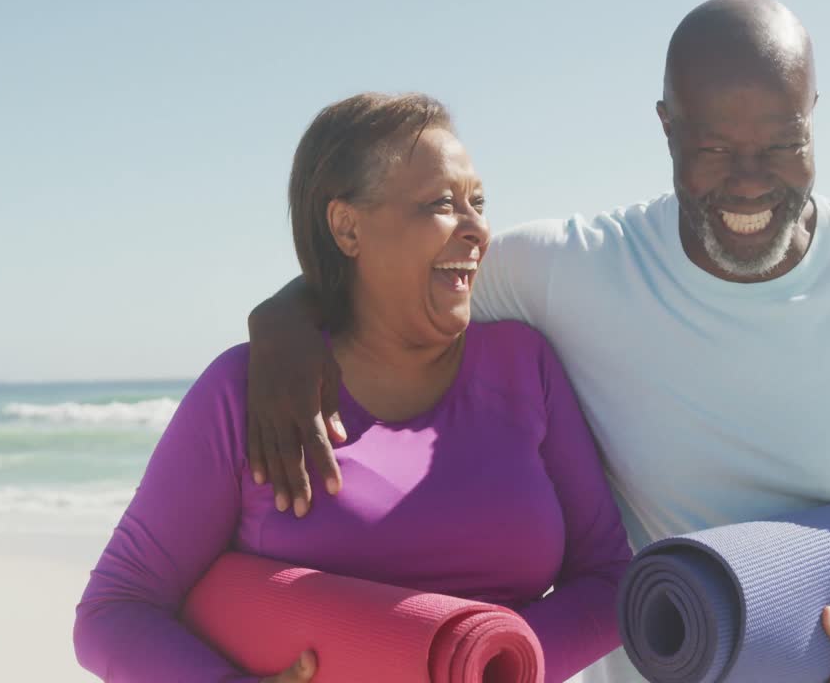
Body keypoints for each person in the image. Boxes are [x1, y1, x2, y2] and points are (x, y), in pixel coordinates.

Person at [247, 0, 830, 683]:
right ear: (667, 128)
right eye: (713, 147)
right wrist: (283, 320)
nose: (750, 180)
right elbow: (404, 281)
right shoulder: (568, 271)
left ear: (813, 119)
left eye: (782, 143)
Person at [73, 93, 632, 683]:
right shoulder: (246, 391)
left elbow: (608, 577)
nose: (476, 228)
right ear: (347, 226)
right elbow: (115, 609)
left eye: (479, 201)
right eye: (442, 203)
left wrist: (490, 665)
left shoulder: (526, 367)